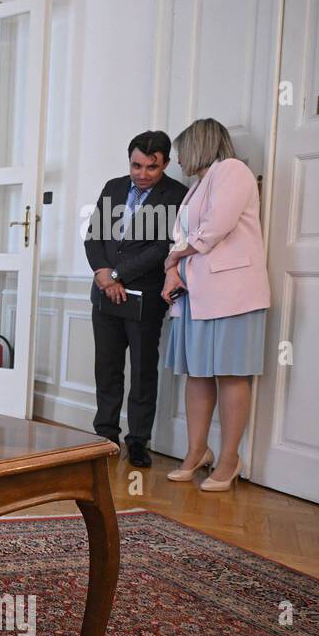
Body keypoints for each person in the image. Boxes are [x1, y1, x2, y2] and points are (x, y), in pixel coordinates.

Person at [161, 118, 270, 491]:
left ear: (200, 145)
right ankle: (196, 452)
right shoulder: (197, 186)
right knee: (198, 374)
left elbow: (214, 227)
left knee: (232, 374)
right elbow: (183, 237)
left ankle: (229, 459)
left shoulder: (233, 171)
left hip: (233, 293)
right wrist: (173, 271)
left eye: (181, 150)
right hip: (197, 294)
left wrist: (172, 260)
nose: (177, 159)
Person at [84, 130, 188, 467]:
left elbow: (162, 248)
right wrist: (103, 274)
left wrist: (118, 275)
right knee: (108, 369)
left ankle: (139, 441)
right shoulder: (114, 187)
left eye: (152, 167)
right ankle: (106, 436)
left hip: (145, 299)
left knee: (143, 372)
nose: (142, 174)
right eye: (137, 165)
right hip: (105, 296)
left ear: (166, 165)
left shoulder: (177, 195)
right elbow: (94, 236)